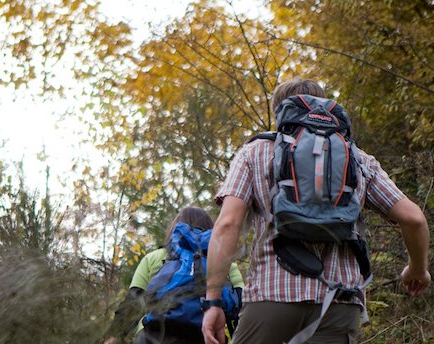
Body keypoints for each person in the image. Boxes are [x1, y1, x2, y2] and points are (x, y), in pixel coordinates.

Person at [201, 78, 431, 344]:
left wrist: (213, 301)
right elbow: (413, 219)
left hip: (271, 296)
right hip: (338, 303)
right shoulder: (357, 158)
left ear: (279, 112)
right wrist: (417, 269)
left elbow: (228, 224)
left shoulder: (254, 153)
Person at [104, 207, 244, 344]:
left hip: (154, 336)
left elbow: (134, 300)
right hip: (206, 335)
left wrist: (114, 335)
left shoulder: (154, 258)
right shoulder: (225, 263)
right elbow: (241, 305)